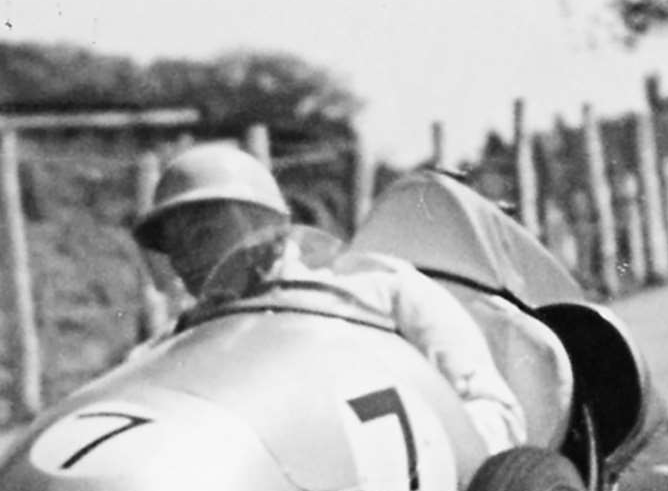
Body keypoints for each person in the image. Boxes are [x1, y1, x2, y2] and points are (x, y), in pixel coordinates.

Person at [132, 142, 527, 457]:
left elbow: (495, 416)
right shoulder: (174, 345)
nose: (185, 260)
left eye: (204, 234)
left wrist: (414, 466)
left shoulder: (380, 289)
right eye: (173, 247)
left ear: (266, 225)